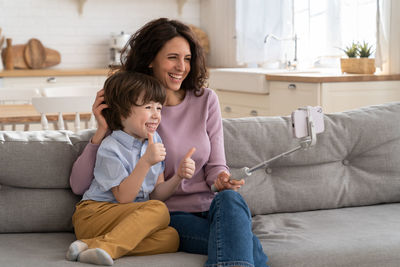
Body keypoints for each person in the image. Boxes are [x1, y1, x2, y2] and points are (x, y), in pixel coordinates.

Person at [70, 18, 268, 267]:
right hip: (169, 214)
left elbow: (216, 165)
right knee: (248, 246)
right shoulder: (136, 109)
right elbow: (79, 186)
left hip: (211, 205)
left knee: (231, 200)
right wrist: (102, 130)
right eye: (173, 57)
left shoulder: (206, 99)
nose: (181, 67)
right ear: (151, 59)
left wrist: (221, 181)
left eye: (187, 58)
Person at [67, 71, 196, 266]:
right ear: (122, 112)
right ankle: (105, 248)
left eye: (159, 108)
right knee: (159, 210)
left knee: (171, 237)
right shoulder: (111, 146)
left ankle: (89, 246)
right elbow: (123, 198)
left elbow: (156, 195)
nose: (156, 115)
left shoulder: (156, 141)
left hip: (124, 220)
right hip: (94, 215)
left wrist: (178, 176)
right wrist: (146, 162)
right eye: (148, 107)